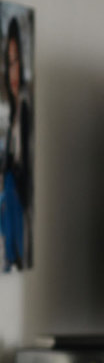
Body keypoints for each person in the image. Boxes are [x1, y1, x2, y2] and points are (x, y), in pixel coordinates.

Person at [2, 16, 33, 270]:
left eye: (17, 62)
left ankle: (13, 256)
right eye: (8, 62)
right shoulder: (12, 113)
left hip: (20, 200)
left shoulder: (26, 110)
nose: (13, 70)